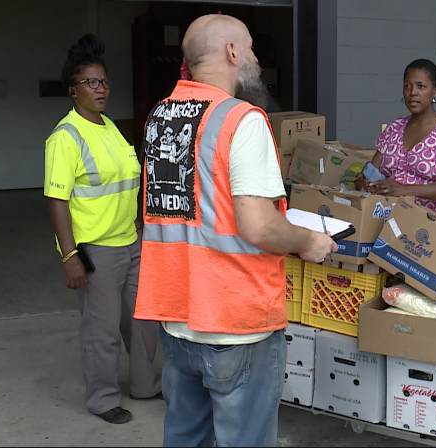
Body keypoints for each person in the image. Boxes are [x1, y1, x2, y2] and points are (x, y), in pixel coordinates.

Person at [132, 15, 338, 448]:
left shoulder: (162, 118)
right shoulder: (241, 120)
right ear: (232, 52)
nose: (255, 57)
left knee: (185, 438)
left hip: (177, 318)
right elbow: (259, 225)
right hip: (236, 323)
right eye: (250, 47)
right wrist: (309, 241)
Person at [44, 34, 162, 425]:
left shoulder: (110, 127)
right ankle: (102, 398)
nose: (101, 89)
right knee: (103, 330)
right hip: (96, 251)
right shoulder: (66, 137)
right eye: (91, 83)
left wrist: (140, 228)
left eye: (105, 82)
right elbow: (57, 200)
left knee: (142, 323)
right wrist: (70, 256)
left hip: (131, 242)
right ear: (72, 91)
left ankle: (146, 385)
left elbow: (128, 183)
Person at [354, 59, 436, 219]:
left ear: (435, 91)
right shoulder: (393, 128)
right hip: (388, 217)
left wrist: (404, 189)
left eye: (421, 86)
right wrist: (363, 182)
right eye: (407, 85)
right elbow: (371, 172)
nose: (413, 92)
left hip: (432, 223)